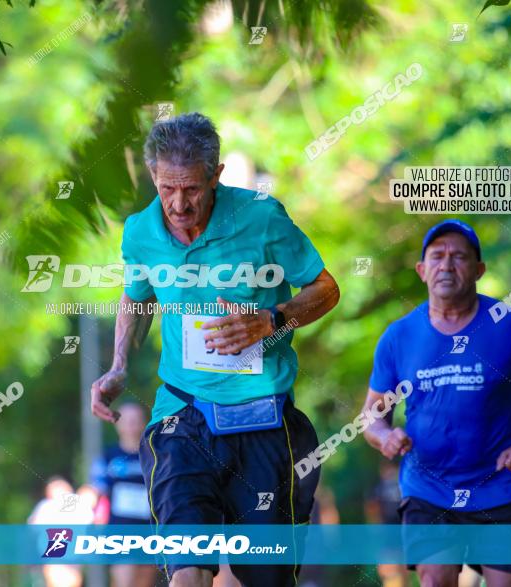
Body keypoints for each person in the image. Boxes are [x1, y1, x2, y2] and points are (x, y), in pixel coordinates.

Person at [90, 112, 340, 587]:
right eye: (167, 189)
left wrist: (274, 318)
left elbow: (326, 289)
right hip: (182, 415)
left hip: (263, 418)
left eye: (192, 190)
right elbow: (138, 299)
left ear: (216, 176)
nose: (178, 205)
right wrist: (119, 363)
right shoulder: (141, 232)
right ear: (152, 177)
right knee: (187, 568)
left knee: (266, 578)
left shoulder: (263, 218)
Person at [361, 219, 511, 587]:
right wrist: (384, 437)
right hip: (428, 489)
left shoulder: (510, 327)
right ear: (422, 270)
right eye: (437, 256)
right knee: (434, 582)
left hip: (500, 488)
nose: (447, 265)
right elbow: (371, 418)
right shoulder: (398, 337)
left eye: (459, 257)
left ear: (478, 271)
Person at [89, 402, 157, 587]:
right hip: (119, 532)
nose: (131, 425)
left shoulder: (155, 456)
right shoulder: (108, 457)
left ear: (144, 423)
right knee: (125, 581)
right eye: (126, 420)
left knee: (144, 582)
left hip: (149, 531)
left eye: (136, 420)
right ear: (117, 424)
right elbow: (96, 490)